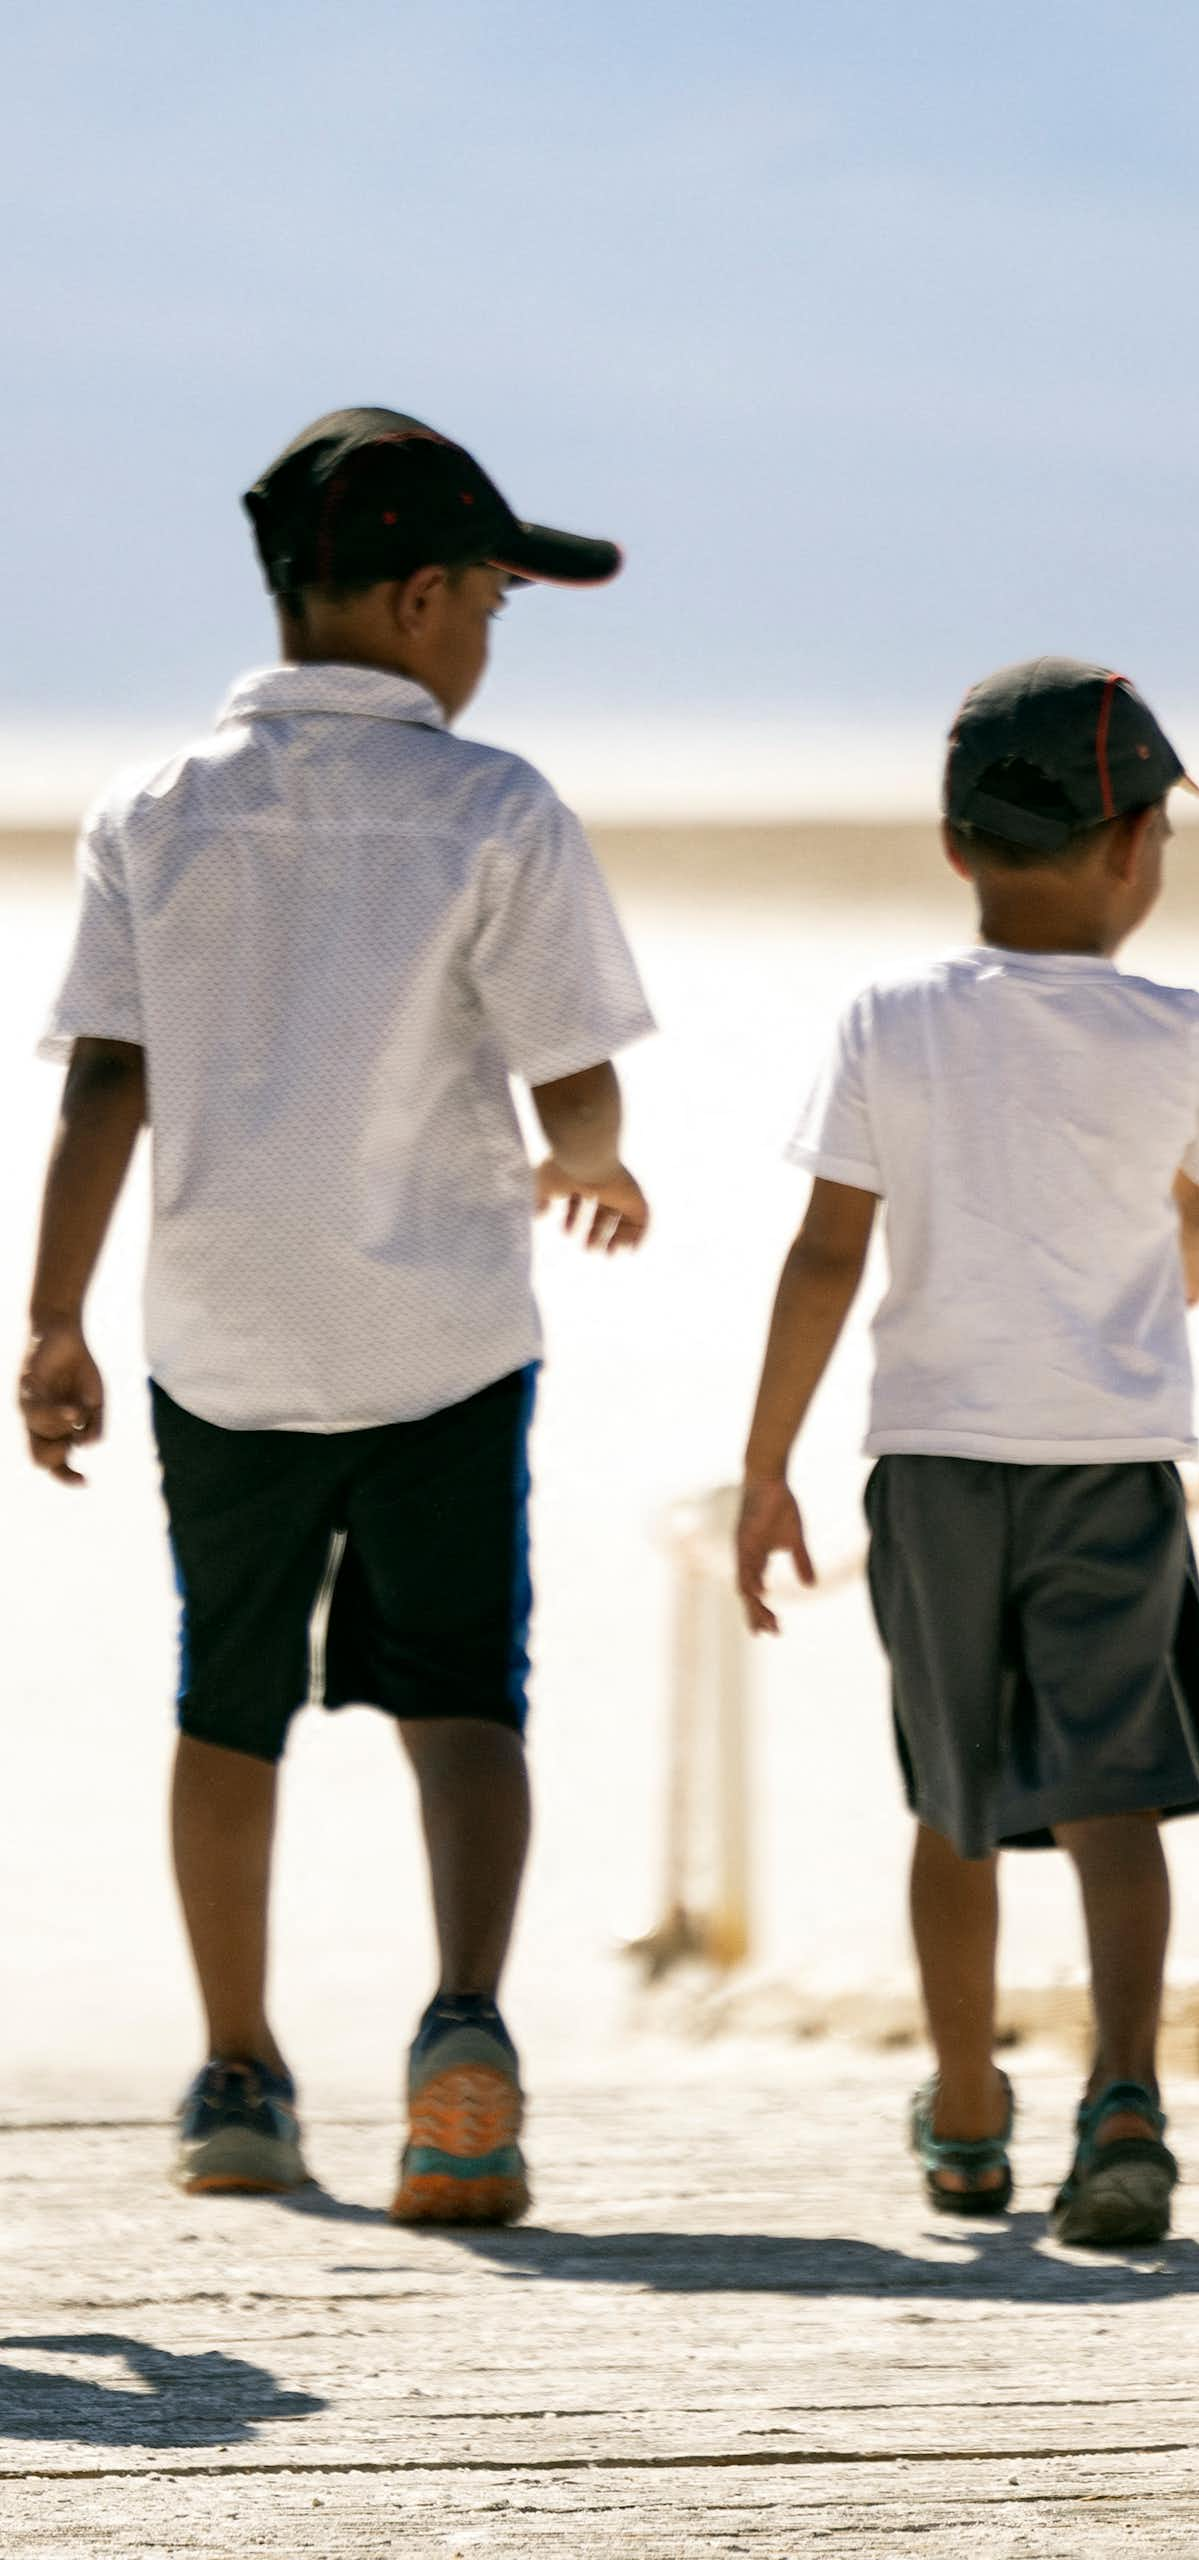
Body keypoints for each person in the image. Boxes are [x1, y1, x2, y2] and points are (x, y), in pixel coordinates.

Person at [18, 407, 655, 2224]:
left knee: (228, 1703)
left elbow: (103, 1088)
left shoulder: (154, 806)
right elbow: (575, 1080)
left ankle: (235, 2070)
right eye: (491, 610)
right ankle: (464, 2033)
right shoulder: (495, 805)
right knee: (464, 1703)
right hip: (443, 1335)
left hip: (221, 1334)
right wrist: (594, 1163)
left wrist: (53, 1319)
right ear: (424, 594)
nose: (483, 646)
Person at [735, 657, 1199, 2248]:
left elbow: (826, 1254)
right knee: (1115, 1798)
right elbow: (1198, 1206)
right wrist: (1183, 1257)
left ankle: (964, 2105)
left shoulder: (888, 1022)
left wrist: (767, 1467)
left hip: (935, 1465)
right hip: (1112, 1462)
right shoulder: (1178, 1028)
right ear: (1137, 848)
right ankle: (1127, 2104)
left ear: (955, 844)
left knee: (951, 1799)